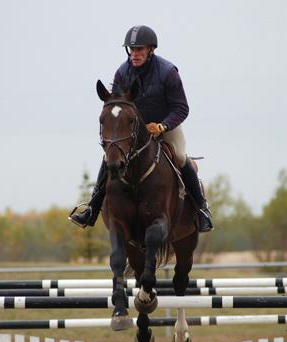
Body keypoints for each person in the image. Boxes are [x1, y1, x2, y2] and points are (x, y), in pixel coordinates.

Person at [69, 25, 213, 232]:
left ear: (151, 50)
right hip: (134, 130)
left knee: (180, 157)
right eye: (132, 49)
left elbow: (182, 107)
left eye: (140, 50)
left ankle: (201, 209)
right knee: (108, 159)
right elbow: (117, 104)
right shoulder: (122, 72)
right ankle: (92, 208)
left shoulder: (168, 72)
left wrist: (163, 126)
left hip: (165, 124)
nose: (135, 54)